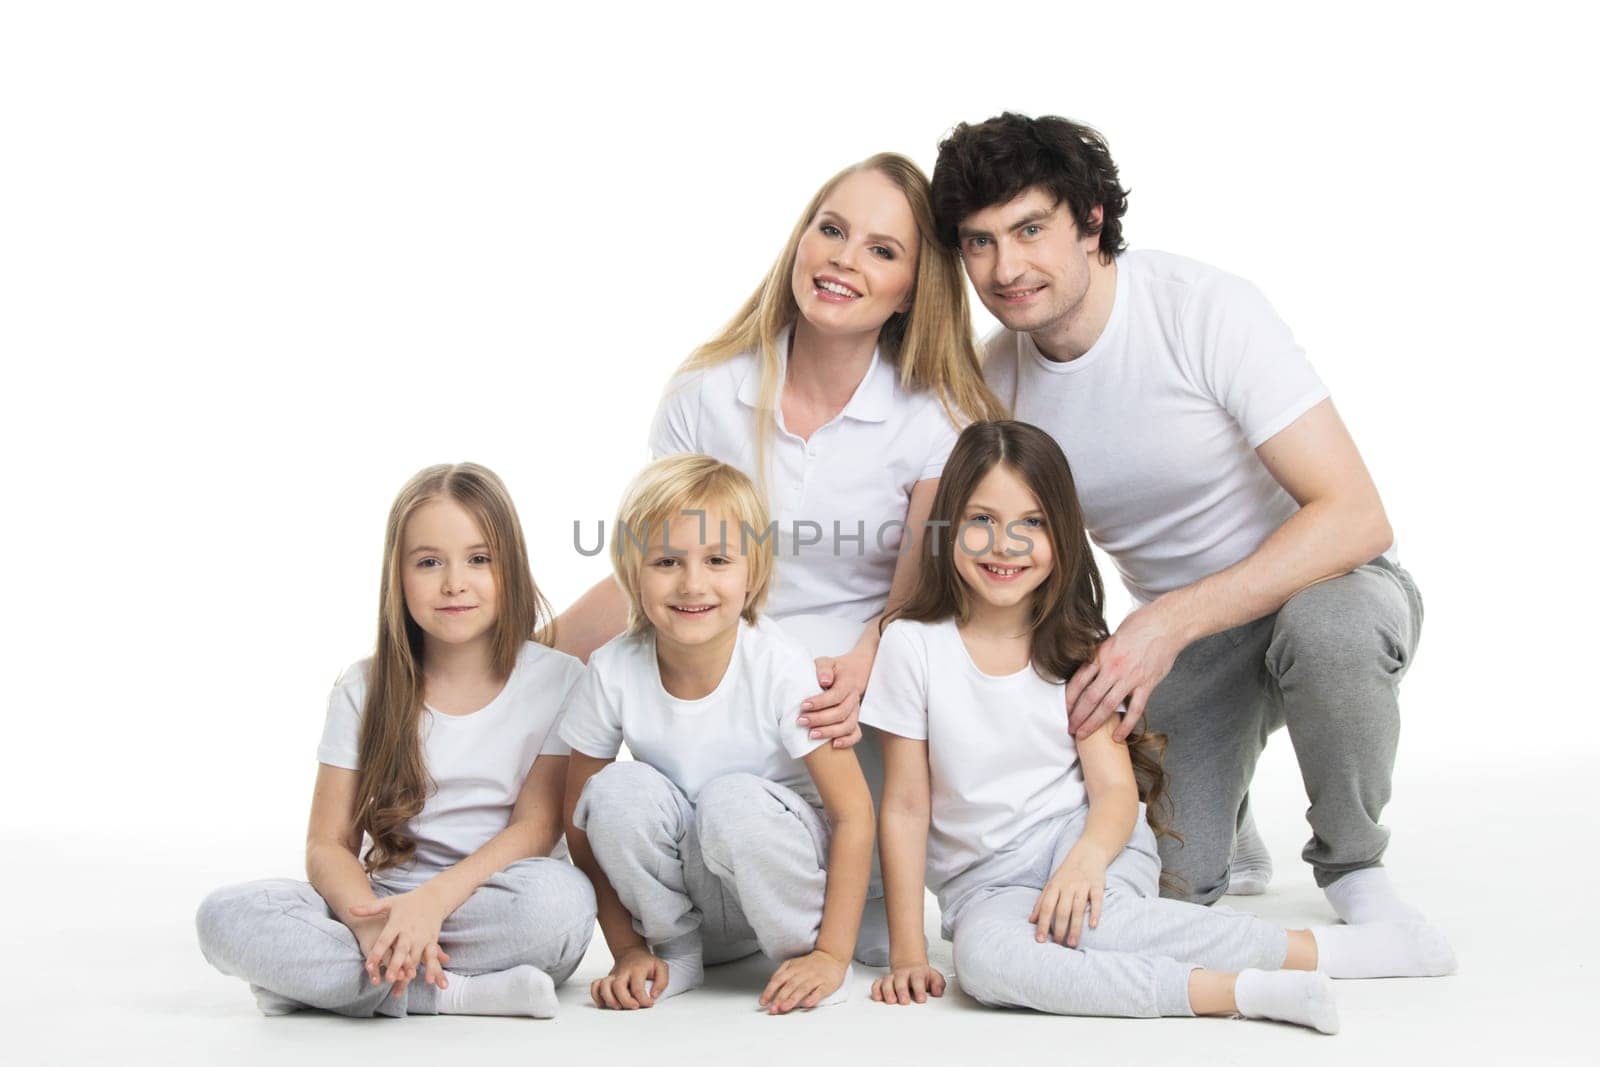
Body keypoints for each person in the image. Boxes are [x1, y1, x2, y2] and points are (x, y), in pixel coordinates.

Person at [931, 113, 1431, 920]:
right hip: (1193, 645)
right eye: (979, 241)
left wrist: (1162, 623)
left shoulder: (1203, 309)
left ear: (1091, 221)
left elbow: (1356, 516)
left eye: (1030, 229)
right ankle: (1227, 818)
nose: (1005, 266)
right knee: (1162, 886)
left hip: (1332, 585)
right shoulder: (1001, 380)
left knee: (1328, 631)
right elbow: (1013, 553)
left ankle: (1353, 865)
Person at [554, 152, 1002, 963]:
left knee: (825, 873)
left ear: (914, 286)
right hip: (712, 660)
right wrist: (529, 654)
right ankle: (669, 911)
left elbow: (919, 598)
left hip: (835, 697)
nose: (843, 259)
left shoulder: (935, 417)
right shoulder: (704, 390)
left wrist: (870, 657)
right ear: (799, 241)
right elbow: (653, 567)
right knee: (548, 685)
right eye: (831, 231)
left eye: (881, 249)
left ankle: (815, 902)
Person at [864, 421, 1455, 1032]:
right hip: (986, 889)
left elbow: (1116, 792)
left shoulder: (1075, 647)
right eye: (981, 520)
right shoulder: (912, 647)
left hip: (1091, 842)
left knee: (1106, 923)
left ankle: (1324, 954)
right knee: (985, 967)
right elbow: (906, 807)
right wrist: (909, 950)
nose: (1005, 543)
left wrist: (1086, 863)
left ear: (1064, 535)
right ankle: (1238, 992)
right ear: (947, 528)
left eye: (1033, 523)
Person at [195, 463, 596, 1019]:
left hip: (493, 899)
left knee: (563, 904)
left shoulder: (561, 680)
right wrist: (372, 924)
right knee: (225, 915)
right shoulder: (363, 686)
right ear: (397, 577)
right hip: (379, 903)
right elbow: (328, 844)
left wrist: (432, 904)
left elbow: (535, 829)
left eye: (479, 559)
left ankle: (321, 984)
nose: (454, 582)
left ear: (512, 566)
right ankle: (456, 994)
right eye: (429, 562)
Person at [561, 454, 874, 1013]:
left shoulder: (779, 666)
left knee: (731, 800)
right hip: (689, 897)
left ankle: (795, 954)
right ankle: (676, 954)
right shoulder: (611, 670)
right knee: (612, 791)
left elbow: (852, 813)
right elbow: (577, 821)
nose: (693, 583)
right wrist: (628, 947)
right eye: (666, 561)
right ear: (632, 572)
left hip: (774, 882)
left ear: (752, 574)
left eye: (718, 559)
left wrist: (831, 952)